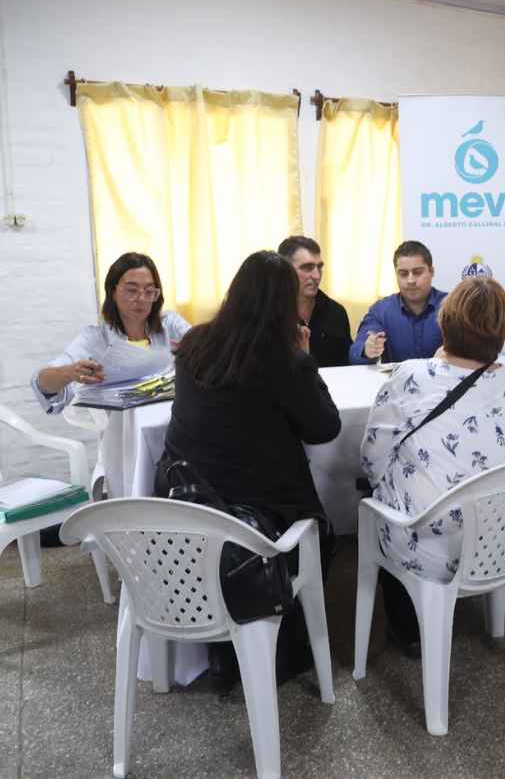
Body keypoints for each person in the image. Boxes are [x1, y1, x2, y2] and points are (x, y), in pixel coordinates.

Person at [157, 250, 341, 691]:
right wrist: (306, 359)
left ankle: (222, 653)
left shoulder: (195, 345)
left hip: (190, 506)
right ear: (284, 303)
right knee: (325, 535)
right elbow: (324, 428)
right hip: (262, 521)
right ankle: (282, 652)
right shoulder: (284, 359)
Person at [361, 276, 505, 657]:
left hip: (429, 547)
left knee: (374, 500)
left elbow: (372, 459)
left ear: (445, 323)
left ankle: (410, 629)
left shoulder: (411, 375)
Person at [32, 252, 190, 414]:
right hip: (123, 432)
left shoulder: (169, 323)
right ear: (113, 292)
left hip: (170, 422)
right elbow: (41, 383)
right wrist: (69, 372)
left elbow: (205, 348)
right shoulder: (94, 338)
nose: (141, 298)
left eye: (149, 291)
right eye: (131, 290)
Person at [349, 240, 447, 364]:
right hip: (396, 383)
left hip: (445, 382)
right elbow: (354, 354)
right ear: (396, 274)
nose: (410, 280)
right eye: (403, 274)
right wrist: (367, 350)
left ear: (431, 271)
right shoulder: (381, 311)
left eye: (417, 272)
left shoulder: (453, 306)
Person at [277, 235, 352, 368]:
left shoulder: (336, 313)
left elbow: (347, 366)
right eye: (307, 268)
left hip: (331, 387)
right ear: (285, 270)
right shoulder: (271, 313)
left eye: (319, 267)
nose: (317, 276)